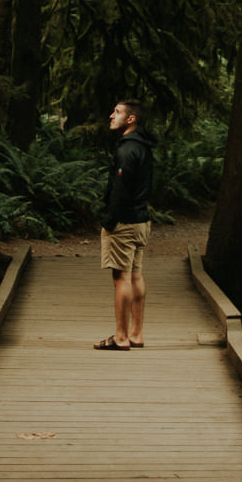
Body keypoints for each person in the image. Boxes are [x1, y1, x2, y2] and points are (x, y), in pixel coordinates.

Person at [95, 99, 158, 351]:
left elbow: (120, 188)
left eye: (117, 112)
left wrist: (110, 219)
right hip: (141, 220)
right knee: (135, 275)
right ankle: (136, 334)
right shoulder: (144, 147)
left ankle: (120, 337)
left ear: (131, 119)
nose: (111, 115)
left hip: (124, 222)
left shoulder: (126, 150)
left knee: (121, 278)